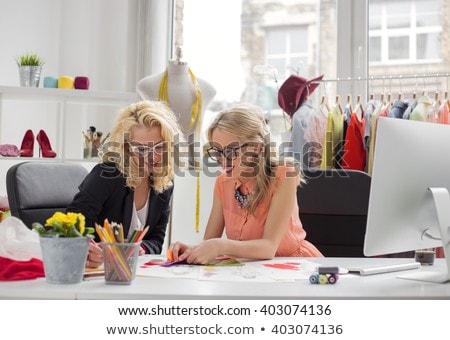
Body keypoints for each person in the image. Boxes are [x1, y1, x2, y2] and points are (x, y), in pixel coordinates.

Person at [170, 104, 323, 264]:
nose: (223, 160)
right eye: (217, 152)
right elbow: (210, 241)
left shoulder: (284, 174)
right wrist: (191, 249)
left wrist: (219, 245)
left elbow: (269, 247)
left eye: (231, 151)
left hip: (293, 266)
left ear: (256, 148)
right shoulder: (222, 182)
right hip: (249, 269)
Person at [67, 100, 183, 268]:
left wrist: (140, 248)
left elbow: (156, 241)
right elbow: (74, 222)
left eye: (160, 147)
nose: (153, 157)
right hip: (96, 270)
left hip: (132, 271)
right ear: (126, 148)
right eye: (142, 150)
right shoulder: (106, 174)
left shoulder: (165, 182)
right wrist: (88, 248)